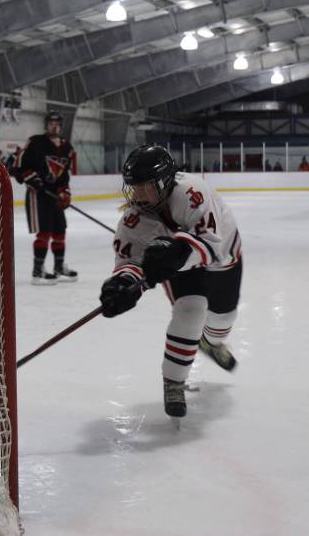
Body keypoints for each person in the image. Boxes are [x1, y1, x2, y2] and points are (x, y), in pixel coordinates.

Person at [98, 145, 242, 419]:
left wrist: (178, 252)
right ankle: (174, 381)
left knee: (223, 319)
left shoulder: (193, 193)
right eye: (134, 187)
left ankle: (211, 342)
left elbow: (211, 245)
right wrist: (123, 285)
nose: (137, 194)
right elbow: (129, 262)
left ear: (164, 182)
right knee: (191, 312)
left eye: (144, 186)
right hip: (180, 261)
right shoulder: (133, 220)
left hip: (222, 254)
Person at [13, 111, 77, 284]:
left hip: (54, 196)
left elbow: (63, 176)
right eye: (50, 123)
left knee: (59, 231)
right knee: (44, 232)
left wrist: (65, 192)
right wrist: (34, 180)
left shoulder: (67, 148)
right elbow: (19, 165)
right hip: (38, 195)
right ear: (45, 125)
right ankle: (37, 271)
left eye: (57, 123)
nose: (54, 126)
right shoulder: (36, 142)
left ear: (61, 126)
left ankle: (58, 267)